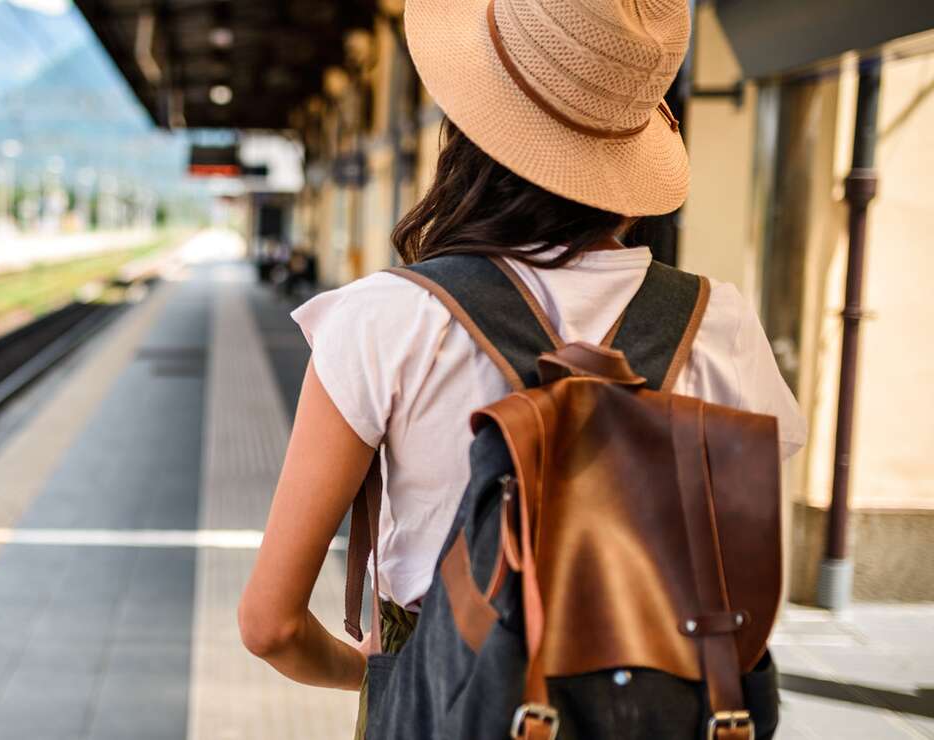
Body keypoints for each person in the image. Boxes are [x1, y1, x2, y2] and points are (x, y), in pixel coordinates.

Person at [237, 0, 807, 734]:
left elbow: (271, 625)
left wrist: (387, 677)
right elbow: (751, 592)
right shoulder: (719, 325)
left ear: (467, 139)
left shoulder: (385, 320)